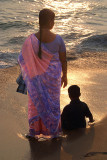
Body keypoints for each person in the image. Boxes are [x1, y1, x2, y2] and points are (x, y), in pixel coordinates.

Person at [18, 9, 67, 139]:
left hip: (36, 80)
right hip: (53, 81)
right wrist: (65, 76)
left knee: (36, 103)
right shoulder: (58, 40)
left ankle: (34, 131)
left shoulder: (30, 39)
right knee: (53, 104)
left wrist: (29, 76)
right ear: (51, 22)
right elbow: (63, 60)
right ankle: (54, 132)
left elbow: (23, 59)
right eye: (54, 20)